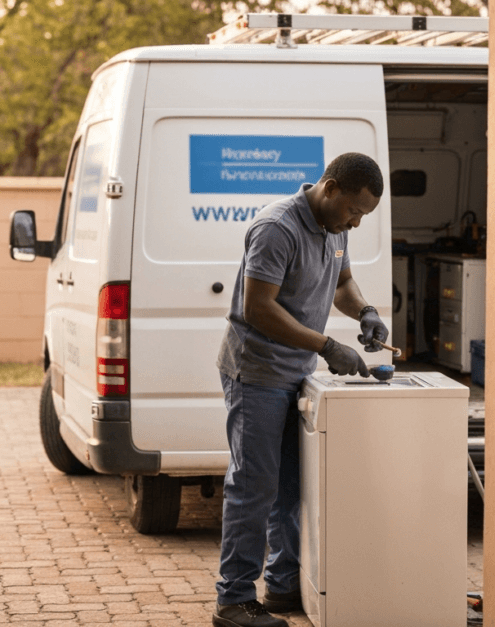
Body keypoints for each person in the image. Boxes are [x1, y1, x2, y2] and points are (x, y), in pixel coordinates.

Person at [212, 153, 389, 627]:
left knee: (291, 488)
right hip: (258, 373)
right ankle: (233, 602)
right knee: (254, 486)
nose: (355, 221)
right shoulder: (277, 228)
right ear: (329, 188)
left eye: (363, 216)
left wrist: (366, 311)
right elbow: (259, 308)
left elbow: (343, 282)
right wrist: (328, 344)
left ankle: (283, 585)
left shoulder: (335, 229)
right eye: (353, 210)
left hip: (297, 374)